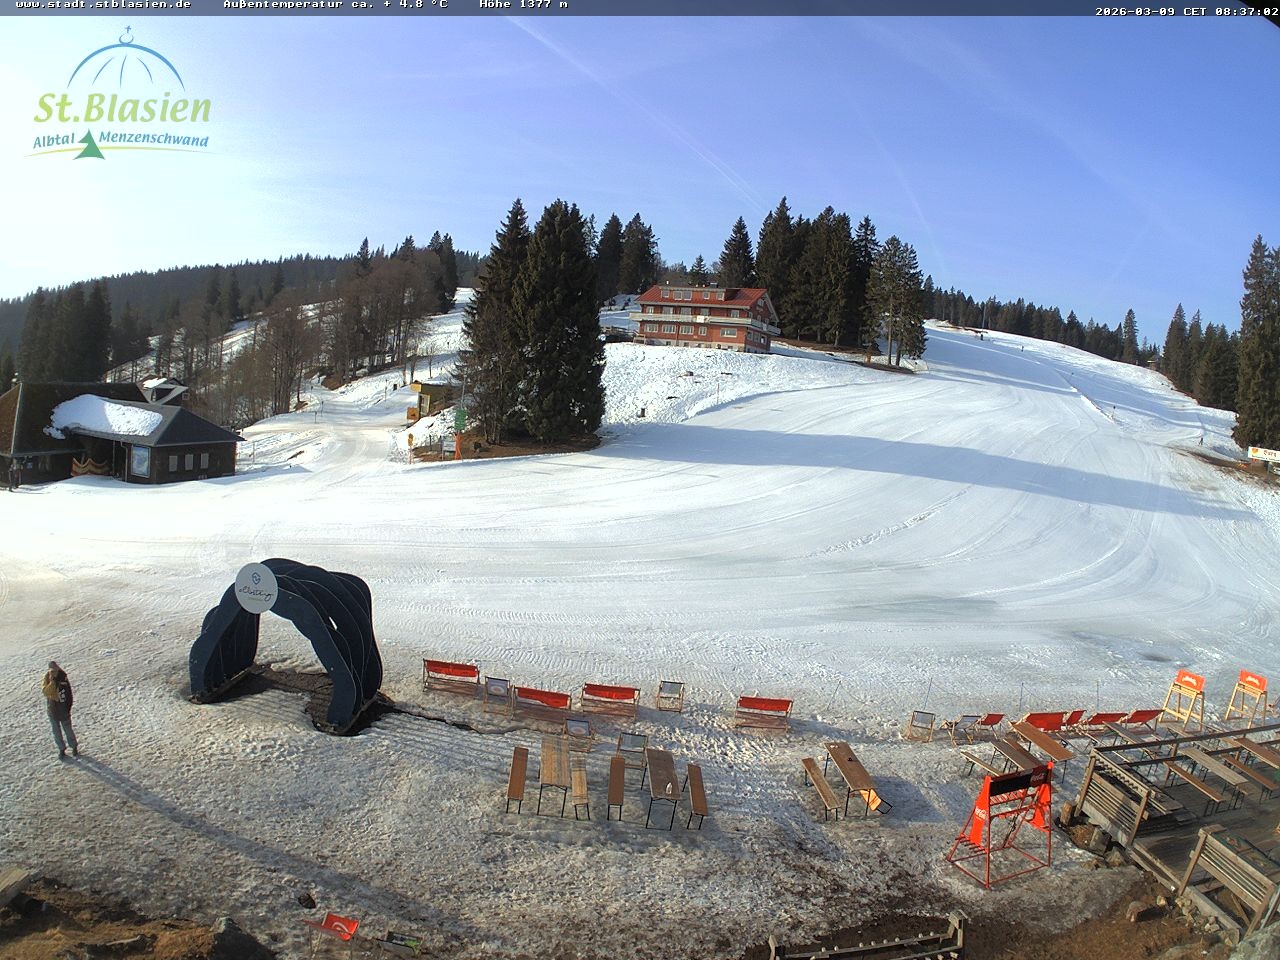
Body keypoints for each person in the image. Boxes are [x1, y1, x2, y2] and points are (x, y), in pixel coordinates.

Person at [41, 661, 78, 759]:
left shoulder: (63, 678)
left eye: (55, 670)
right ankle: (61, 749)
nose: (53, 672)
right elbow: (45, 691)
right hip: (52, 709)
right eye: (51, 670)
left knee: (68, 729)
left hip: (63, 709)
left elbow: (68, 695)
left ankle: (74, 746)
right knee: (56, 731)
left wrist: (67, 708)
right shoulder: (47, 678)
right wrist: (52, 683)